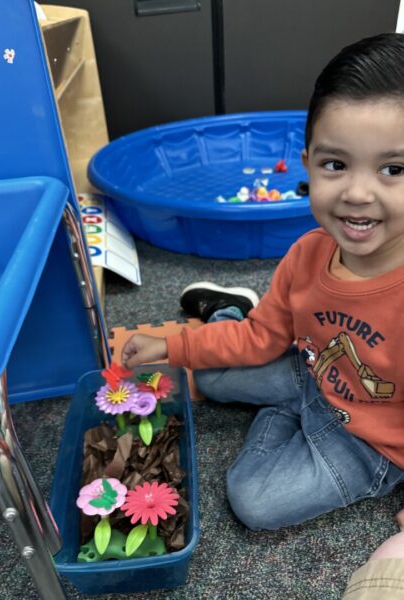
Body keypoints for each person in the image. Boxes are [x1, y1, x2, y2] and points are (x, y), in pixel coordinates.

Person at [121, 33, 404, 533]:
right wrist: (170, 341)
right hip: (313, 371)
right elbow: (258, 341)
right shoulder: (307, 253)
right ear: (308, 165)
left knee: (255, 502)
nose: (358, 193)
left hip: (372, 441)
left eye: (393, 169)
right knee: (209, 373)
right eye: (335, 165)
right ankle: (235, 312)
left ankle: (283, 407)